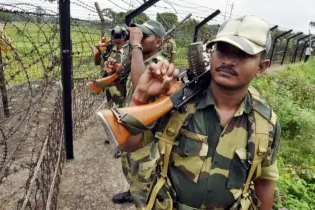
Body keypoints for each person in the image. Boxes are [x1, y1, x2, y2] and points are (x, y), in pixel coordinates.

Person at [119, 15, 281, 210]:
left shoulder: (266, 123)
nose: (228, 60)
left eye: (242, 54)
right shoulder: (178, 101)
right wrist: (141, 96)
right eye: (222, 49)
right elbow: (128, 144)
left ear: (262, 67)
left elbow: (264, 180)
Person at [106, 20, 167, 205]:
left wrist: (135, 45)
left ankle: (141, 198)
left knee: (145, 178)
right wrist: (110, 72)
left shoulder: (159, 64)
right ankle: (132, 191)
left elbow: (142, 84)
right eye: (137, 34)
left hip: (146, 137)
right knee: (128, 166)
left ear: (159, 42)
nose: (138, 37)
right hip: (131, 128)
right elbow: (124, 87)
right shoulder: (137, 60)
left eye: (144, 36)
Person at [101, 25, 131, 158]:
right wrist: (99, 50)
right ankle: (112, 135)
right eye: (114, 34)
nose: (114, 36)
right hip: (110, 85)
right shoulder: (111, 48)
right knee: (110, 111)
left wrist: (116, 70)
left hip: (120, 87)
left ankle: (120, 145)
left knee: (119, 114)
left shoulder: (130, 49)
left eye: (117, 34)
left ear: (124, 36)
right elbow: (101, 62)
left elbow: (127, 68)